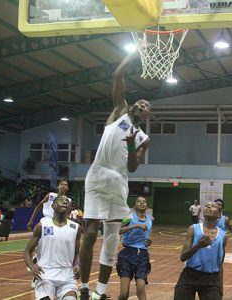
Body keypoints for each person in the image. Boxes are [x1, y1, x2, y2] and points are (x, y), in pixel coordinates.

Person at [79, 52, 151, 300]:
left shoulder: (144, 139)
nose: (142, 105)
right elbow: (117, 74)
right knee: (90, 233)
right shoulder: (119, 110)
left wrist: (132, 145)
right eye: (140, 102)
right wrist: (132, 53)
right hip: (99, 175)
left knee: (110, 239)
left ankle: (100, 291)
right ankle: (83, 287)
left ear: (146, 116)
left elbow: (133, 168)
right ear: (132, 106)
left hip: (120, 180)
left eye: (146, 106)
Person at [24, 195, 81, 300]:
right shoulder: (42, 225)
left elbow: (76, 253)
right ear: (53, 206)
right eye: (61, 201)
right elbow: (27, 251)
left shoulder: (75, 228)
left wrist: (77, 264)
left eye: (66, 201)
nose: (64, 202)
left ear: (69, 207)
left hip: (67, 276)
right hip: (45, 275)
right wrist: (32, 266)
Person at [174, 202, 227, 300]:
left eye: (213, 206)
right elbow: (183, 257)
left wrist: (220, 287)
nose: (209, 207)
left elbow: (220, 263)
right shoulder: (193, 229)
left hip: (211, 279)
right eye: (207, 206)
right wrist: (198, 246)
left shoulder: (223, 236)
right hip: (190, 275)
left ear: (219, 214)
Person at [117, 196, 153, 300]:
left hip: (142, 255)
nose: (142, 203)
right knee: (124, 294)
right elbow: (118, 230)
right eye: (139, 201)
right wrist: (135, 225)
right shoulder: (129, 217)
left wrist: (148, 242)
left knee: (141, 288)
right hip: (127, 254)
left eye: (144, 202)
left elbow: (146, 237)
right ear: (134, 205)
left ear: (147, 206)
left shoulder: (149, 219)